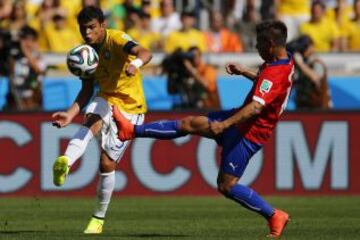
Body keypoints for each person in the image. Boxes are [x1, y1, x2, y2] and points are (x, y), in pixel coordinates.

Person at [113, 20, 292, 238]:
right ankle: (131, 130)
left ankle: (274, 215)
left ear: (270, 43)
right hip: (239, 120)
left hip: (248, 134)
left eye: (259, 44)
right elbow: (268, 86)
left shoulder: (276, 72)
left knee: (226, 186)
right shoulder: (283, 61)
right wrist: (246, 71)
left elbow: (256, 107)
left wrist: (225, 125)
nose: (256, 48)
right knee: (190, 123)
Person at [51, 6, 152, 234]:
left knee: (106, 164)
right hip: (105, 98)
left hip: (130, 107)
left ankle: (98, 218)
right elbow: (87, 89)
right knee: (92, 119)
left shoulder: (116, 38)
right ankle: (66, 161)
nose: (87, 33)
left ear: (102, 26)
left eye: (92, 28)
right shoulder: (86, 53)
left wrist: (134, 65)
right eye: (83, 29)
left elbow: (145, 52)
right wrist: (70, 113)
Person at [288, 35, 332, 110]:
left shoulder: (317, 62)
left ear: (311, 47)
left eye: (304, 47)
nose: (302, 50)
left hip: (319, 107)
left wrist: (300, 63)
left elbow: (316, 77)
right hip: (303, 106)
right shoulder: (302, 63)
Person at [7, 25, 46, 111]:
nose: (27, 42)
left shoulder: (38, 57)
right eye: (24, 38)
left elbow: (38, 70)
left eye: (30, 39)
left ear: (35, 41)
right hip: (17, 98)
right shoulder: (16, 57)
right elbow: (11, 74)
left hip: (33, 99)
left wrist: (25, 50)